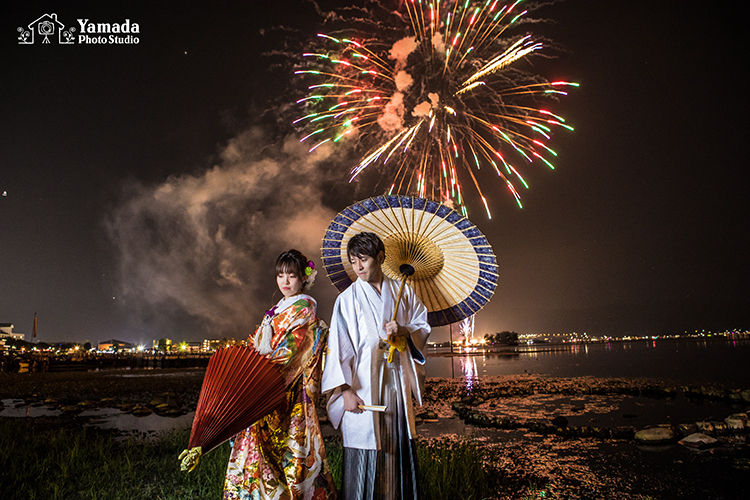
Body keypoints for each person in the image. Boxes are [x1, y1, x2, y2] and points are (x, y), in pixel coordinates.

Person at [321, 232, 431, 500]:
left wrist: (404, 330)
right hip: (363, 387)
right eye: (353, 261)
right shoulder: (346, 299)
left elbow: (422, 325)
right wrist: (345, 391)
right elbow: (338, 348)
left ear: (380, 258)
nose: (358, 267)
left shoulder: (402, 291)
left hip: (396, 383)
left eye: (364, 259)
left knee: (396, 446)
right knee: (365, 451)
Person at [224, 249, 337, 500]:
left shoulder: (304, 309)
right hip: (267, 381)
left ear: (304, 278)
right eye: (281, 276)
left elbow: (291, 351)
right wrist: (245, 364)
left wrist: (259, 376)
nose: (285, 282)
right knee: (261, 447)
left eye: (292, 276)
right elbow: (256, 341)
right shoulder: (276, 309)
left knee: (290, 449)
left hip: (286, 390)